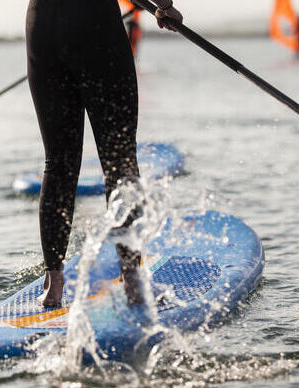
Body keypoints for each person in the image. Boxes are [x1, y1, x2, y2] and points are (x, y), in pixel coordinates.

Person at [25, 0, 183, 307]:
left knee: (58, 163)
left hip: (41, 27)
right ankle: (133, 283)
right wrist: (164, 5)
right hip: (95, 25)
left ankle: (53, 284)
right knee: (119, 160)